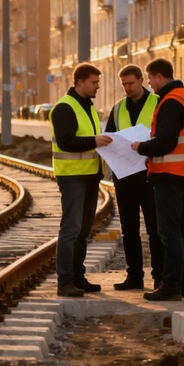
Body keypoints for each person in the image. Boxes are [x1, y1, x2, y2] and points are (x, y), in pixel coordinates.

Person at [131, 58, 184, 301]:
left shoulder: (170, 102)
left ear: (159, 76)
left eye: (149, 78)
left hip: (169, 175)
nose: (149, 83)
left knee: (169, 232)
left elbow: (165, 142)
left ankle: (171, 286)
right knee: (183, 231)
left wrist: (141, 147)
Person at [51, 62, 113, 297]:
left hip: (89, 176)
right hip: (72, 177)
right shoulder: (64, 108)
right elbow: (67, 141)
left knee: (83, 230)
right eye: (94, 82)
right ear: (79, 82)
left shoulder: (87, 106)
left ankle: (78, 276)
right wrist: (94, 141)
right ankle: (65, 281)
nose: (97, 86)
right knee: (71, 229)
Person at [105, 65, 164, 291]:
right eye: (124, 84)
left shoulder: (157, 103)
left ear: (141, 80)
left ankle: (159, 276)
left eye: (131, 83)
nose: (127, 88)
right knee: (129, 230)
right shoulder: (118, 108)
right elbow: (110, 138)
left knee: (155, 229)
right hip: (124, 176)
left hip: (150, 175)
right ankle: (134, 276)